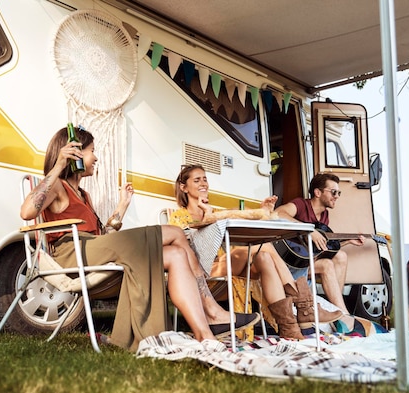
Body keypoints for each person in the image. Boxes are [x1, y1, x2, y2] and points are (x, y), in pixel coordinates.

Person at [20, 126, 258, 351]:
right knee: (175, 233)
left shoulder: (84, 194)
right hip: (71, 255)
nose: (96, 157)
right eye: (92, 151)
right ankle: (213, 311)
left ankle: (205, 334)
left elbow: (104, 236)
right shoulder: (58, 186)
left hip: (93, 250)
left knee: (175, 255)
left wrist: (122, 206)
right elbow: (27, 212)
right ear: (75, 153)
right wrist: (59, 165)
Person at [170, 165, 387, 340]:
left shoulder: (214, 211)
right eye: (197, 180)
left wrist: (259, 211)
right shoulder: (178, 217)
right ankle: (304, 305)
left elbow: (231, 218)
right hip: (203, 271)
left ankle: (289, 327)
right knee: (262, 247)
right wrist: (210, 215)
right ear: (184, 187)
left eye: (205, 179)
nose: (203, 183)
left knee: (264, 256)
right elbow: (190, 248)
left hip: (227, 263)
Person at [274, 173, 365, 314]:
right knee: (326, 265)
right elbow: (278, 213)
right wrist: (308, 230)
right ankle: (343, 314)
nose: (337, 196)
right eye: (334, 192)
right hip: (289, 265)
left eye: (339, 193)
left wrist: (347, 241)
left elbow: (321, 249)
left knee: (341, 256)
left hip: (305, 264)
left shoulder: (324, 216)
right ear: (317, 192)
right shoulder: (301, 205)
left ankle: (333, 309)